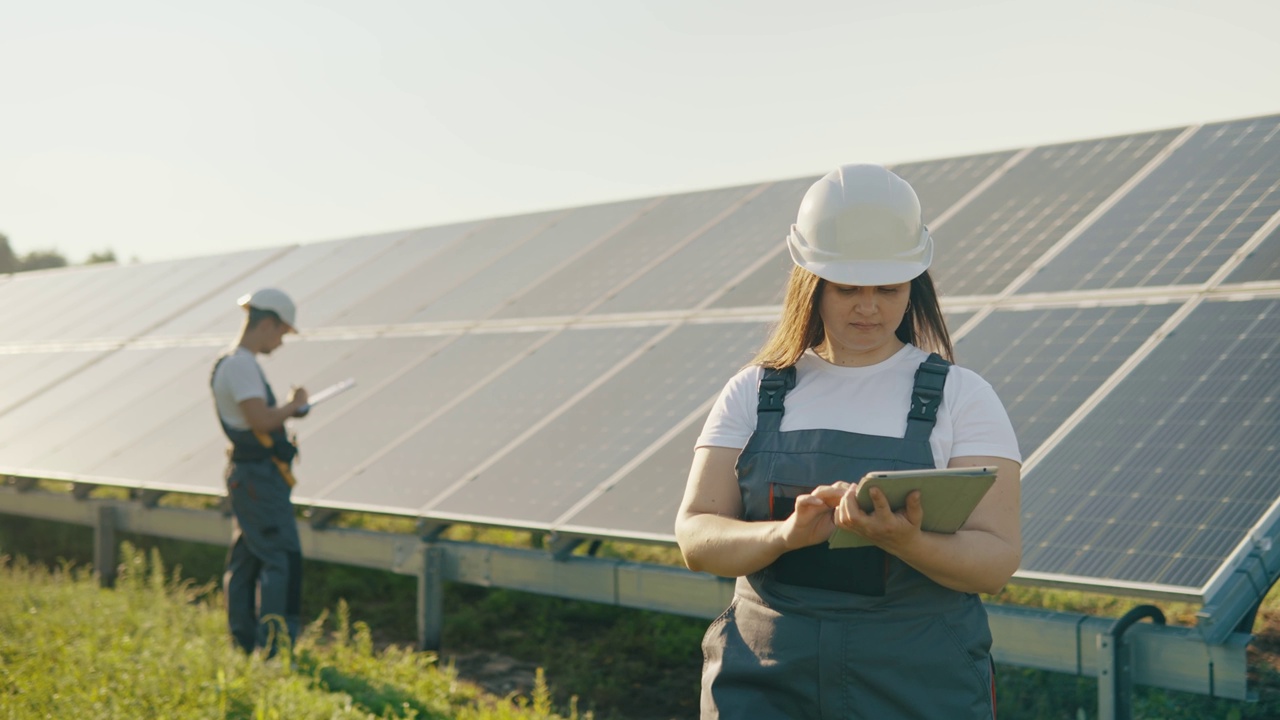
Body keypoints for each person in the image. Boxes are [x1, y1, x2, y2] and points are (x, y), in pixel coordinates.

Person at [675, 164, 1022, 719]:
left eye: (888, 288)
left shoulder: (964, 397)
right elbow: (696, 536)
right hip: (764, 679)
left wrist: (904, 540)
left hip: (917, 685)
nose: (869, 307)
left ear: (915, 285)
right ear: (810, 284)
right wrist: (786, 534)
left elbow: (996, 561)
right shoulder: (753, 391)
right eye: (848, 289)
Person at [210, 287, 309, 657]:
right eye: (282, 332)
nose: (281, 341)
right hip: (258, 479)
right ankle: (274, 648)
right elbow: (260, 419)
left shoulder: (235, 364)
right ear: (267, 324)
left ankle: (243, 642)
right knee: (279, 558)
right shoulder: (240, 365)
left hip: (250, 476)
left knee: (248, 557)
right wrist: (293, 406)